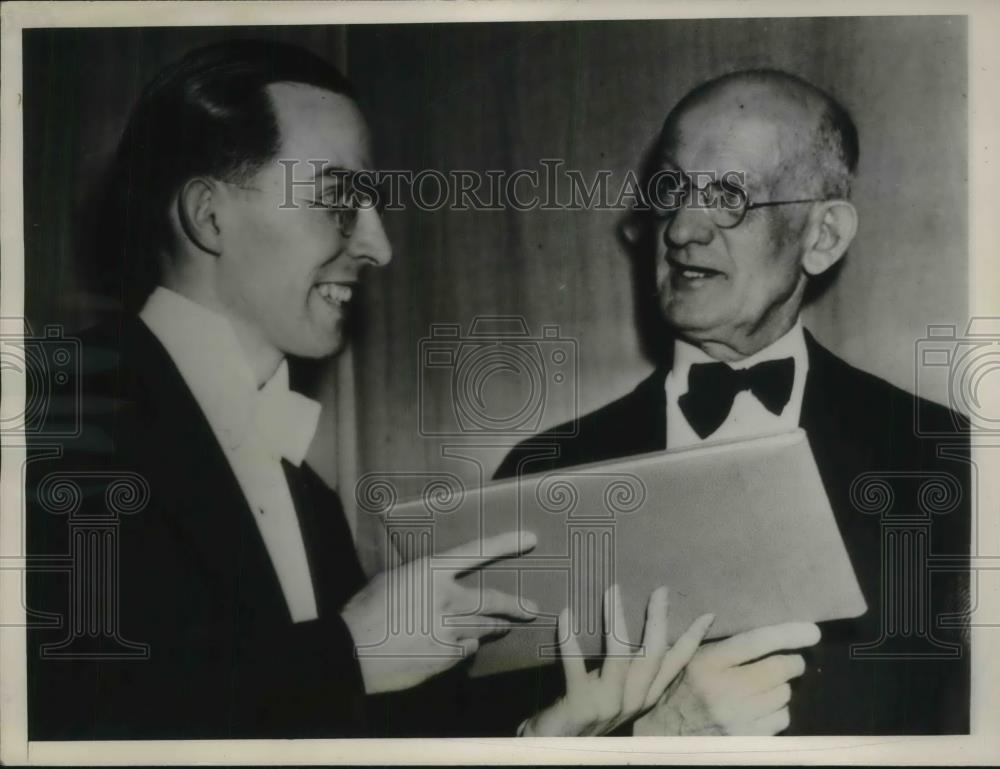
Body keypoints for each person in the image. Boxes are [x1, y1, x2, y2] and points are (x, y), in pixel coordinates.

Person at [25, 39, 712, 740]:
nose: (379, 247)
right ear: (209, 216)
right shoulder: (54, 426)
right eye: (339, 198)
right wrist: (350, 654)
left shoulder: (308, 498)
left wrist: (542, 739)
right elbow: (67, 721)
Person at [496, 69, 970, 735]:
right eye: (670, 190)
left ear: (823, 235)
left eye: (728, 195)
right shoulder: (541, 472)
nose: (683, 229)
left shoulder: (948, 461)